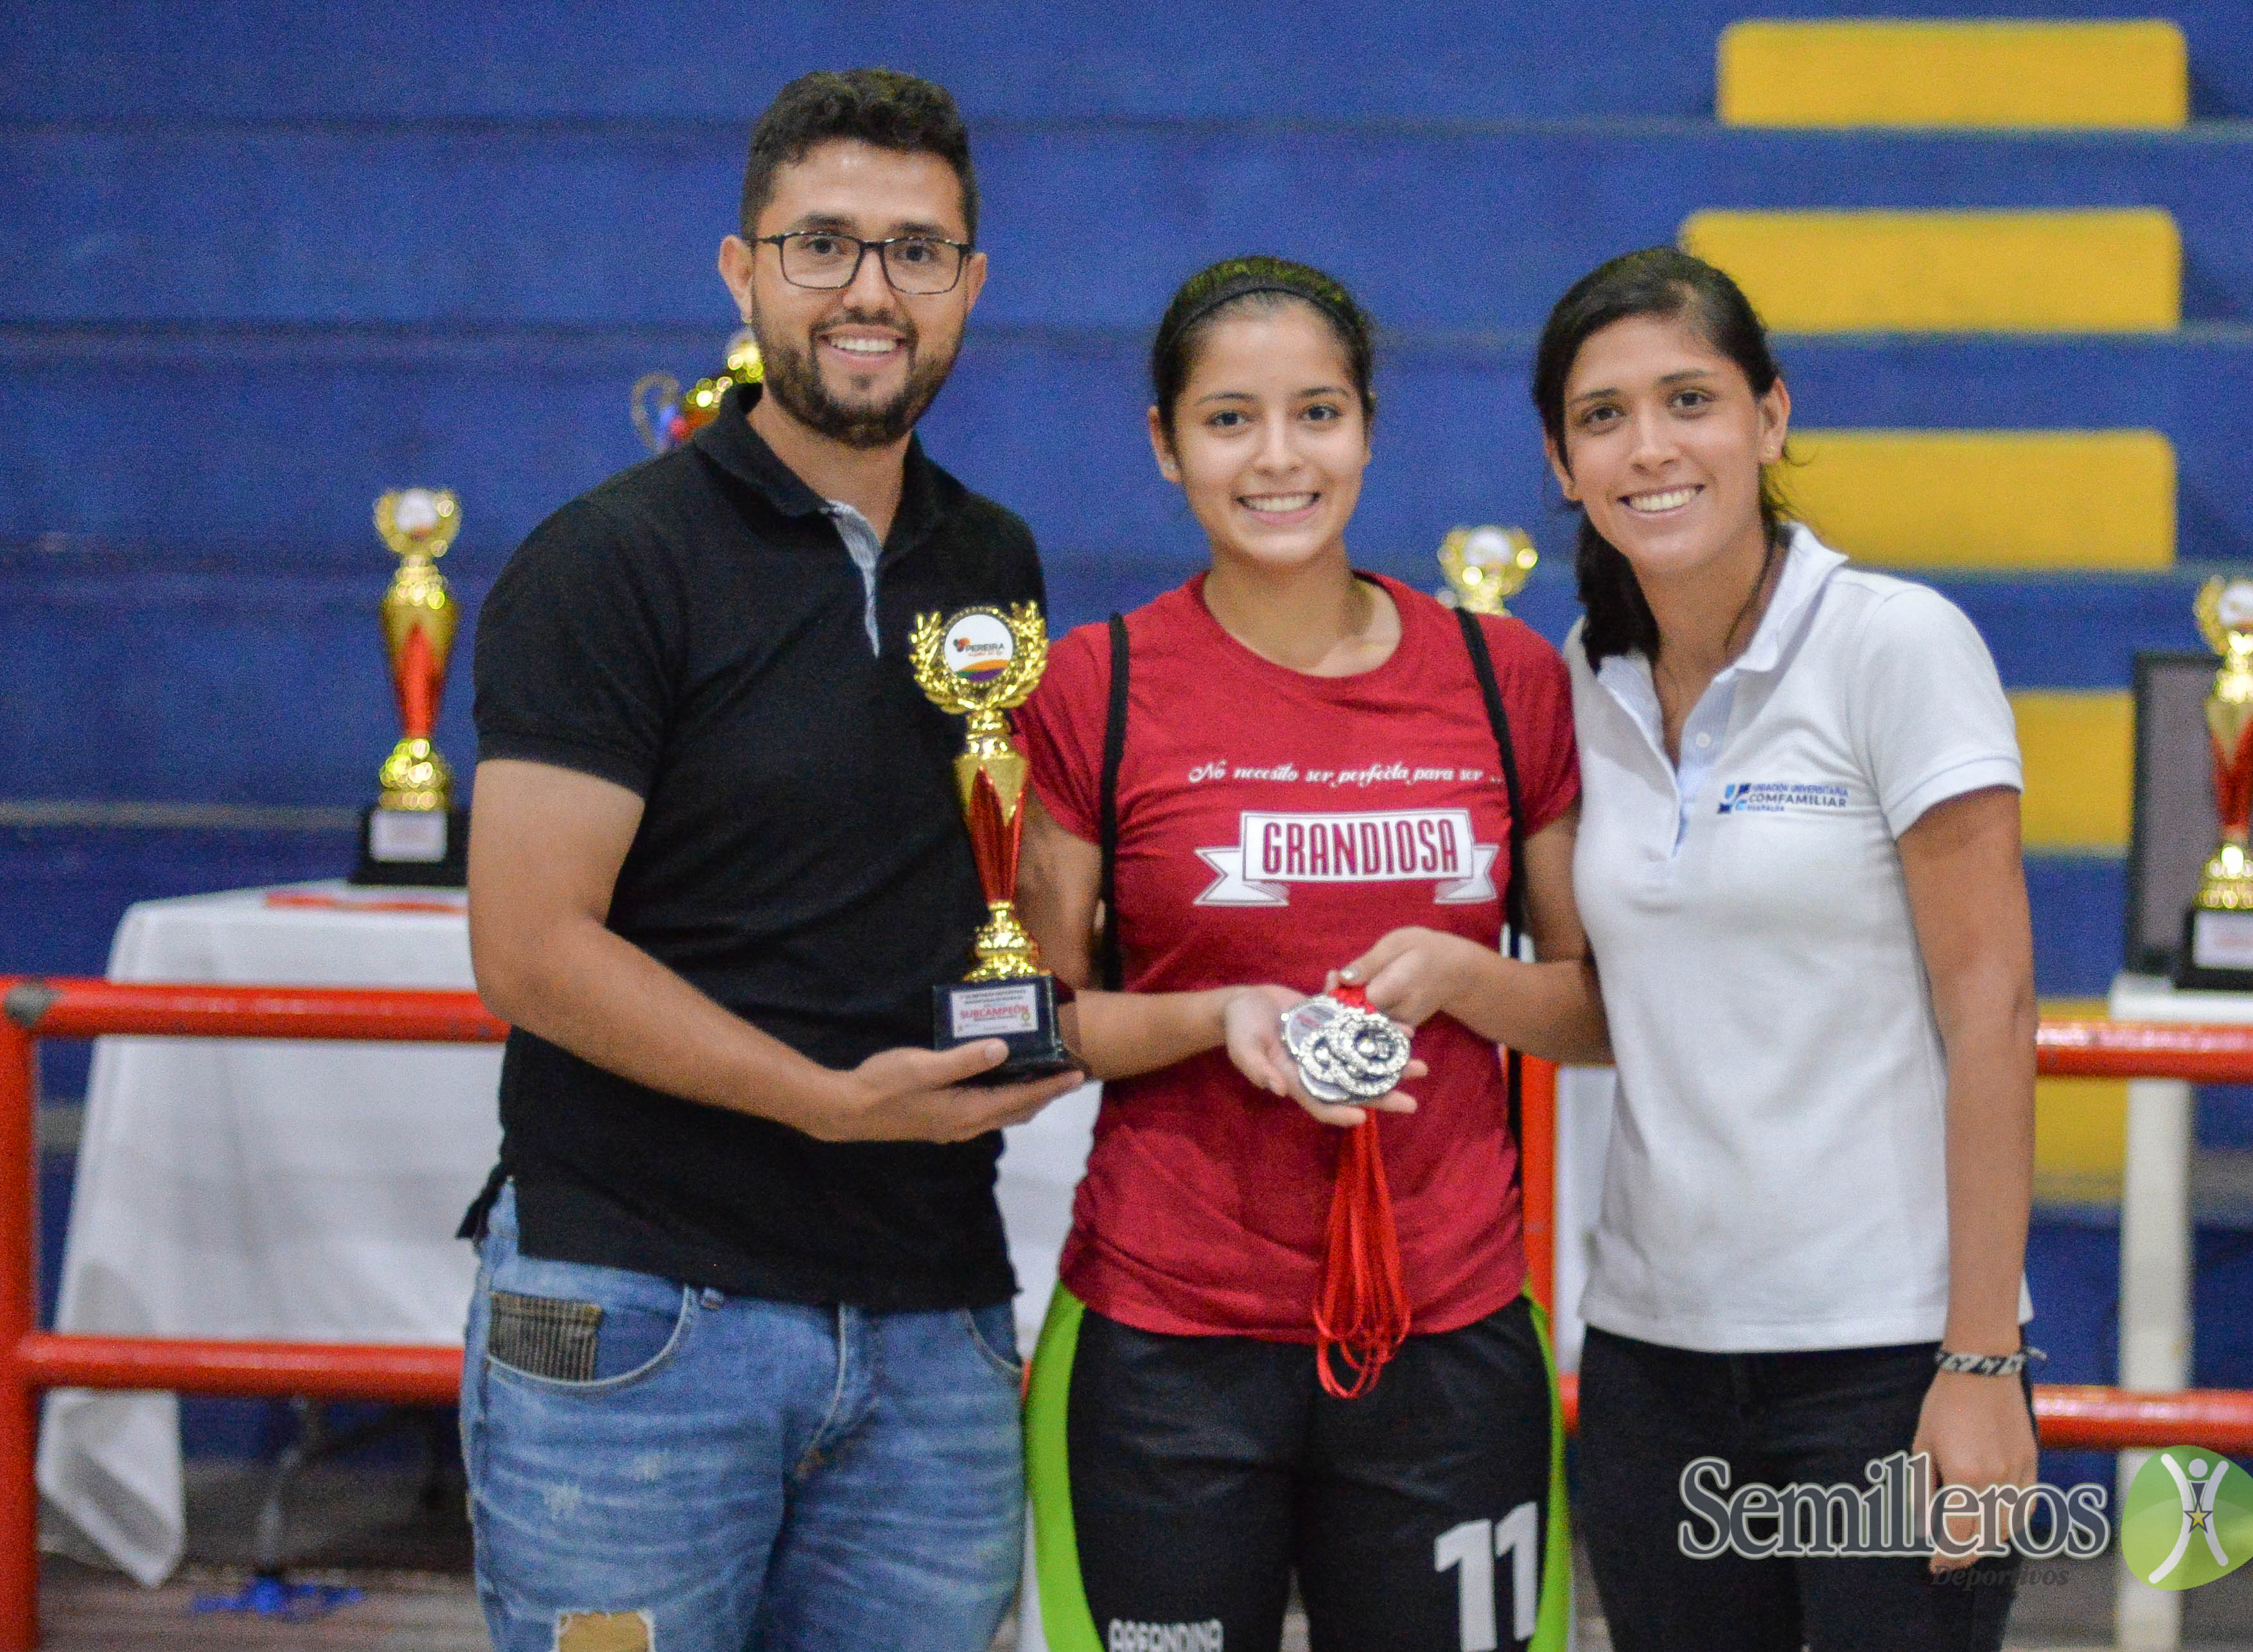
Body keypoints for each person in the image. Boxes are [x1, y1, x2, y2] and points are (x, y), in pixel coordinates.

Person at [458, 69, 1083, 1652]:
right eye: (823, 244)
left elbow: (1006, 889)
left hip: (932, 1310)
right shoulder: (609, 559)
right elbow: (529, 948)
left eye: (915, 251)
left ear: (970, 285)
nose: (870, 289)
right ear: (743, 272)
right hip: (642, 1306)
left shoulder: (993, 557)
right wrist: (823, 1099)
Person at [1012, 256, 1607, 1652]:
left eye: (1316, 413)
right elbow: (1031, 1020)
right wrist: (1213, 1015)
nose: (1277, 458)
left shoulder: (1504, 679)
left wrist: (1463, 979)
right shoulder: (1094, 686)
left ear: (1368, 427)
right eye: (1229, 419)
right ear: (1165, 443)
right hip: (1165, 1344)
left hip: (1448, 1335)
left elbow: (1598, 1011)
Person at [1539, 246, 2040, 1651]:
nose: (1650, 446)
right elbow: (1608, 1004)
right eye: (1602, 416)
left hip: (1887, 1360)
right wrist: (1438, 979)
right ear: (1563, 464)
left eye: (1688, 399)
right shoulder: (1582, 677)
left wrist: (1978, 1360)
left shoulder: (1896, 644)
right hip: (1653, 1362)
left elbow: (1992, 1006)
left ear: (1769, 417)